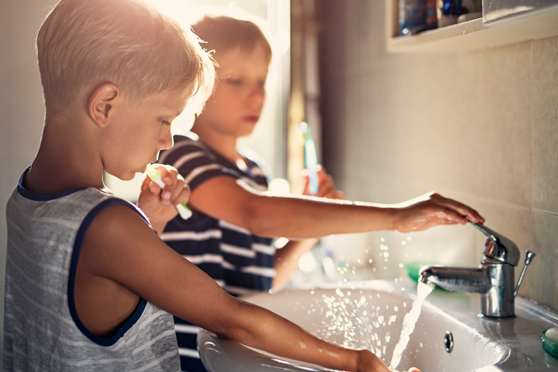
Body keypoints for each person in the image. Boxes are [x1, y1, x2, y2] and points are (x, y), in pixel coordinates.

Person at [2, 0, 429, 371]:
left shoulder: (27, 197)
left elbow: (95, 291)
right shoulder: (108, 225)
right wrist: (353, 361)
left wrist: (148, 224)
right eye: (164, 118)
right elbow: (233, 319)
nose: (167, 139)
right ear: (105, 105)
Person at [156, 12, 485, 372]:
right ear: (198, 83)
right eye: (236, 80)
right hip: (191, 358)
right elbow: (255, 213)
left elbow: (265, 277)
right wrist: (395, 217)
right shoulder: (182, 154)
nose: (256, 95)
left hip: (235, 353)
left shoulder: (254, 172)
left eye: (263, 81)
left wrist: (311, 222)